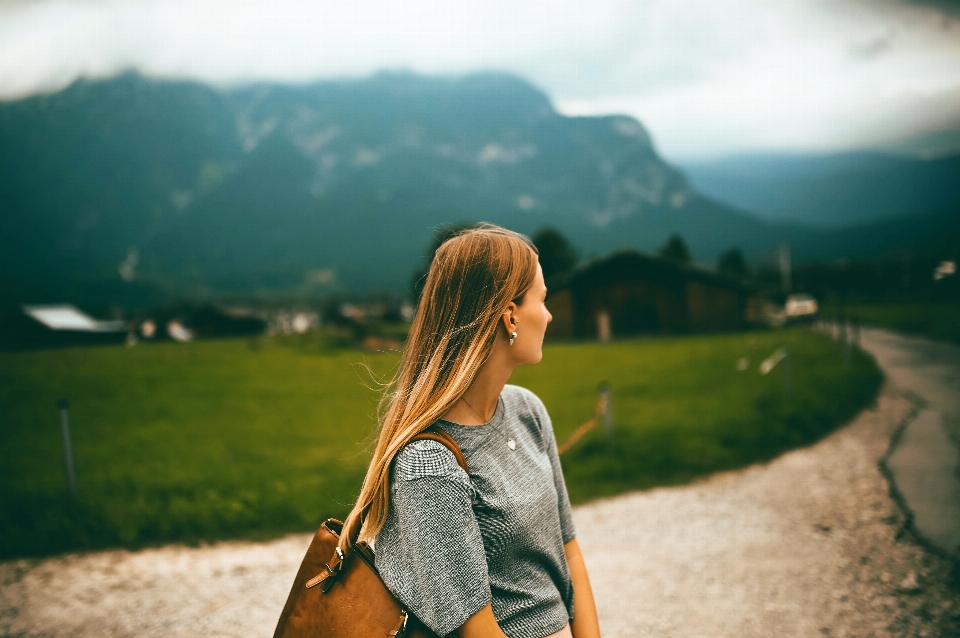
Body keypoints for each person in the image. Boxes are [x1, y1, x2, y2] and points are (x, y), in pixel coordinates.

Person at [338, 223, 601, 638]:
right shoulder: (428, 465)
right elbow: (474, 631)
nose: (548, 315)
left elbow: (568, 549)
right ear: (510, 315)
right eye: (543, 299)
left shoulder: (528, 411)